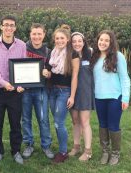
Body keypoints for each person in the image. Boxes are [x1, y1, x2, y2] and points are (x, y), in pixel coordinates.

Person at [0, 15, 26, 164]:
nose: (9, 28)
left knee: (15, 123)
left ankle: (16, 151)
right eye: (6, 25)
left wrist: (22, 84)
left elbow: (23, 66)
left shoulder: (21, 45)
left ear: (15, 28)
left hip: (15, 92)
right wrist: (3, 83)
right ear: (1, 27)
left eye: (11, 25)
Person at [90, 30, 130, 165]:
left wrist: (125, 98)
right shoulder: (94, 56)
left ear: (111, 42)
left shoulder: (118, 56)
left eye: (106, 40)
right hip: (99, 97)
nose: (103, 42)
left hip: (115, 97)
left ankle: (115, 153)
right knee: (102, 125)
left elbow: (125, 78)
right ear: (97, 41)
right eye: (101, 40)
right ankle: (105, 152)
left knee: (113, 125)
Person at [47, 25, 80, 164]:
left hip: (64, 92)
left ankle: (63, 152)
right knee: (57, 122)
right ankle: (63, 148)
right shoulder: (52, 53)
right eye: (57, 38)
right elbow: (49, 72)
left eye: (62, 38)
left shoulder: (73, 54)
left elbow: (75, 76)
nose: (59, 40)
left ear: (67, 39)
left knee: (59, 123)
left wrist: (72, 96)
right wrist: (46, 73)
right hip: (52, 91)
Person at [21, 23, 54, 159]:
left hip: (41, 90)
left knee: (43, 119)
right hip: (25, 90)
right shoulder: (22, 48)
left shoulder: (49, 52)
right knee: (26, 118)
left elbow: (53, 72)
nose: (36, 36)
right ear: (30, 34)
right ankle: (29, 144)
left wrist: (49, 73)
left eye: (39, 34)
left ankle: (46, 146)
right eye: (34, 33)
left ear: (44, 34)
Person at [68, 32, 94, 161]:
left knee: (85, 122)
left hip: (85, 92)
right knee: (75, 121)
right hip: (72, 92)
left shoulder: (91, 55)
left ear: (84, 42)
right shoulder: (68, 56)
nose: (77, 44)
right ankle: (76, 146)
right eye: (74, 41)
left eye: (79, 41)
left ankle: (88, 151)